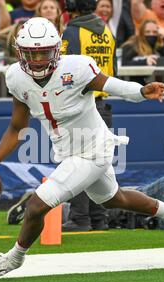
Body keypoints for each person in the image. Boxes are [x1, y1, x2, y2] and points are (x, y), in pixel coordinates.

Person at [0, 17, 164, 277]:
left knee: (37, 205)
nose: (37, 60)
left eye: (44, 52)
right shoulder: (16, 77)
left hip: (94, 149)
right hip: (70, 152)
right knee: (115, 198)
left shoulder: (77, 68)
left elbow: (111, 84)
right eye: (31, 53)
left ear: (57, 49)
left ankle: (15, 257)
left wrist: (140, 91)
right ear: (20, 52)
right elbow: (17, 127)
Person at [61, 0, 116, 232]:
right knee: (99, 164)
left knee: (77, 163)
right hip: (103, 104)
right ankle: (99, 218)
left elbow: (64, 72)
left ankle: (80, 218)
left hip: (81, 106)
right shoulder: (106, 30)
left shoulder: (72, 31)